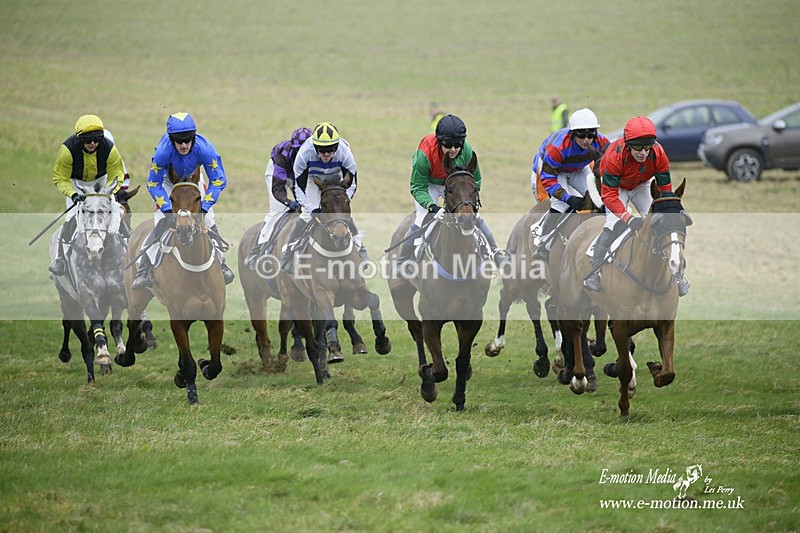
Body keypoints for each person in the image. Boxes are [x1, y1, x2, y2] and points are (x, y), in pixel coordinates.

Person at [583, 115, 690, 296]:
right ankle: (595, 271)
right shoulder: (614, 156)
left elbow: (665, 192)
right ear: (628, 145)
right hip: (617, 189)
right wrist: (628, 218)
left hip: (642, 185)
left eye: (647, 147)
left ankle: (678, 275)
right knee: (612, 223)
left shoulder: (658, 153)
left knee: (663, 222)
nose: (643, 153)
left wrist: (669, 211)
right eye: (638, 148)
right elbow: (609, 197)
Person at [131, 112, 235, 290]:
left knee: (209, 220)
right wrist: (166, 210)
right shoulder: (163, 152)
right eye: (179, 141)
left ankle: (221, 263)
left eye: (188, 140)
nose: (184, 145)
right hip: (167, 181)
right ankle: (144, 268)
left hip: (193, 180)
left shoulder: (205, 149)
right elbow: (153, 184)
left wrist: (204, 207)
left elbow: (218, 180)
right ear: (172, 140)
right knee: (161, 222)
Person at [398, 114, 509, 268]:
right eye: (448, 145)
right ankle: (403, 261)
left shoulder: (467, 151)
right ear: (439, 141)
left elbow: (475, 180)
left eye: (458, 145)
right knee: (422, 218)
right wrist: (432, 207)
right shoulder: (424, 155)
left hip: (455, 185)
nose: (453, 149)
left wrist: (468, 199)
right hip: (429, 184)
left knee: (475, 216)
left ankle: (495, 254)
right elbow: (417, 187)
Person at [49, 114, 126, 276]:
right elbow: (60, 178)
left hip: (102, 183)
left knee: (116, 214)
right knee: (71, 218)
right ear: (79, 139)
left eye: (96, 139)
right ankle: (60, 258)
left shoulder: (109, 148)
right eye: (87, 140)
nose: (92, 143)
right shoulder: (67, 150)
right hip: (77, 184)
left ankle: (128, 246)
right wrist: (73, 194)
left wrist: (107, 193)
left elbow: (116, 175)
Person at [281, 122, 364, 270]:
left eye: (330, 150)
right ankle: (289, 253)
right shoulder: (304, 153)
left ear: (336, 147)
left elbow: (352, 184)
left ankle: (361, 250)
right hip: (313, 178)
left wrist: (345, 201)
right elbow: (298, 188)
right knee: (307, 215)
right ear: (314, 147)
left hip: (336, 177)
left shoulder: (345, 152)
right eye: (322, 150)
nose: (326, 154)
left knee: (342, 213)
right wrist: (311, 208)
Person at [531, 108, 610, 261]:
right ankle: (543, 244)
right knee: (560, 205)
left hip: (578, 168)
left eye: (591, 134)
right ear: (573, 133)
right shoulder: (557, 147)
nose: (587, 140)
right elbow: (548, 180)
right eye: (581, 135)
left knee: (598, 200)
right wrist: (569, 198)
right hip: (553, 171)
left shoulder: (601, 141)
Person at [244, 126, 311, 269]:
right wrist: (288, 202)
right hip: (279, 172)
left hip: (298, 174)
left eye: (304, 150)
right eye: (298, 150)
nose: (301, 154)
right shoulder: (283, 155)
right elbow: (278, 188)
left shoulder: (314, 155)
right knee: (278, 210)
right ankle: (256, 251)